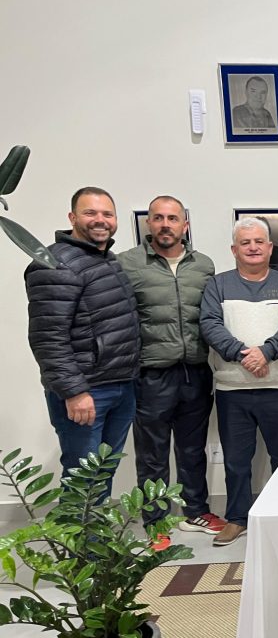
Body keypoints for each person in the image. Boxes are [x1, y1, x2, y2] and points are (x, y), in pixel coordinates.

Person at [119, 195, 221, 547]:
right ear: (149, 223)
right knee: (152, 454)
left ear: (185, 225)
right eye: (159, 218)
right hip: (151, 375)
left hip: (195, 371)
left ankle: (196, 511)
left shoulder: (203, 265)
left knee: (193, 450)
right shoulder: (128, 264)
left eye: (173, 218)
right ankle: (156, 522)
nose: (166, 224)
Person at [25, 187, 139, 493]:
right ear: (72, 217)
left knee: (102, 474)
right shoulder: (55, 264)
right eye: (90, 213)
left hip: (120, 385)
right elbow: (48, 338)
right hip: (87, 391)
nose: (100, 220)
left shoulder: (106, 260)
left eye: (107, 214)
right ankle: (78, 528)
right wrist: (74, 392)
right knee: (83, 481)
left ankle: (95, 527)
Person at [199, 217, 278, 546]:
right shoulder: (218, 285)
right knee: (236, 461)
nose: (253, 248)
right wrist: (244, 355)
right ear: (234, 250)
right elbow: (210, 324)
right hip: (232, 390)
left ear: (270, 248)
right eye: (245, 243)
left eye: (259, 242)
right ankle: (237, 518)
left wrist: (266, 353)